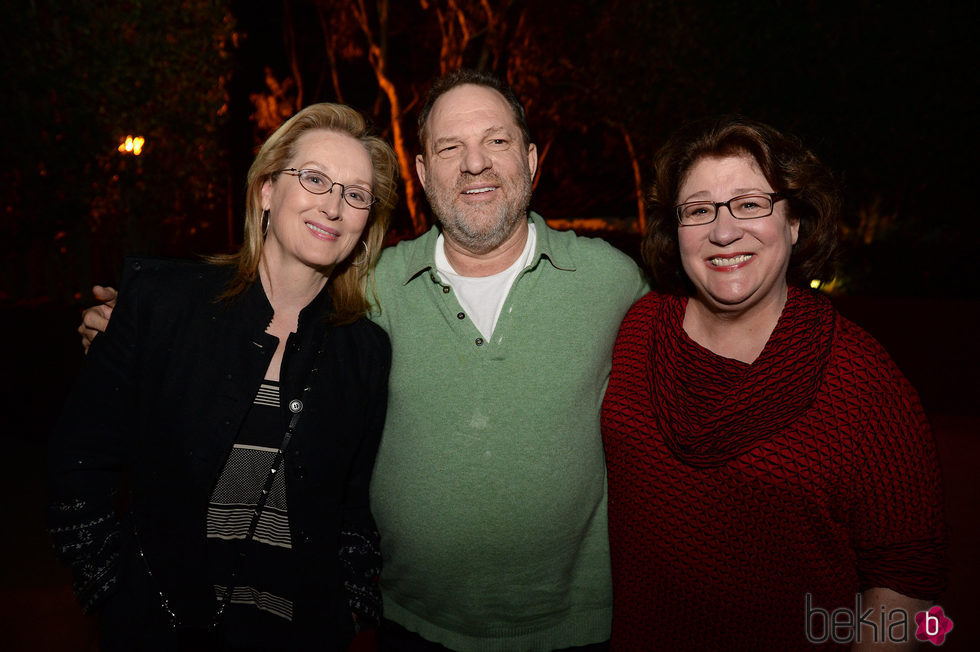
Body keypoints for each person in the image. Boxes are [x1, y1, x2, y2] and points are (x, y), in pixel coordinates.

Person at [79, 69, 649, 651]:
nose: (474, 163)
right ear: (424, 173)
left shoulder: (611, 281)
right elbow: (258, 302)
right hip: (408, 628)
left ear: (531, 159)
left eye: (496, 141)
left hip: (573, 630)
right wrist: (139, 330)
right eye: (449, 147)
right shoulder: (371, 293)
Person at [50, 103, 397, 651]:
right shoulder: (163, 302)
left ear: (365, 222)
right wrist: (110, 589)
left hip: (297, 633)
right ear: (266, 190)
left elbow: (353, 505)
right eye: (314, 179)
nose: (333, 205)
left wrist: (352, 607)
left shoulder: (365, 351)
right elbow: (80, 459)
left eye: (355, 193)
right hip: (158, 627)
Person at [600, 116, 949, 650]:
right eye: (698, 210)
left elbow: (908, 580)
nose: (723, 231)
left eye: (749, 203)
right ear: (677, 230)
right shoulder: (638, 332)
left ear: (794, 223)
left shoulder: (862, 381)